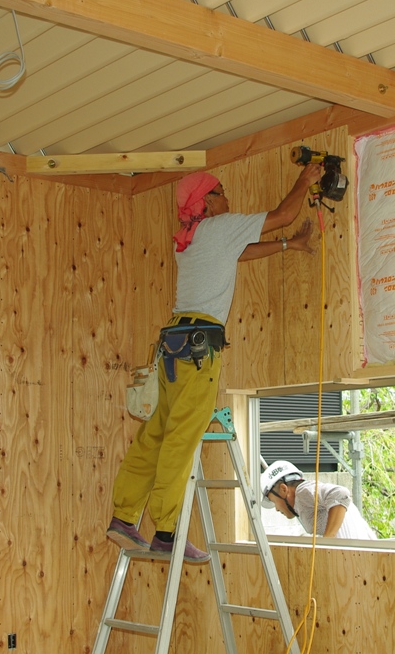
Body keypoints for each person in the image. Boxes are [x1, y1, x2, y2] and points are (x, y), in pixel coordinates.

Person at [106, 163, 325, 562]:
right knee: (181, 439)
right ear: (206, 201)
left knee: (156, 434)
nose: (228, 199)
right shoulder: (219, 227)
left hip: (173, 344)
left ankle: (123, 517)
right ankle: (166, 532)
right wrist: (304, 180)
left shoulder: (189, 238)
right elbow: (282, 214)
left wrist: (287, 246)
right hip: (198, 351)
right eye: (221, 192)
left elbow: (238, 254)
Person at [258, 460, 378, 540]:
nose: (276, 509)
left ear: (284, 489)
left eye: (273, 501)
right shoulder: (306, 497)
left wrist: (327, 542)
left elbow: (341, 494)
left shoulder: (302, 492)